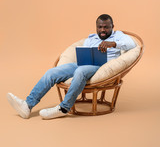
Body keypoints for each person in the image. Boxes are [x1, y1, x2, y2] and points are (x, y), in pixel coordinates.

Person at [7, 14, 136, 120]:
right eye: (100, 27)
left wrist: (113, 44)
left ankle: (64, 108)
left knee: (80, 71)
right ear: (96, 27)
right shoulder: (91, 38)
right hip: (83, 63)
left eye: (106, 27)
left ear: (112, 27)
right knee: (52, 73)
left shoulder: (118, 36)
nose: (103, 30)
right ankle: (27, 105)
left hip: (100, 67)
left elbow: (132, 44)